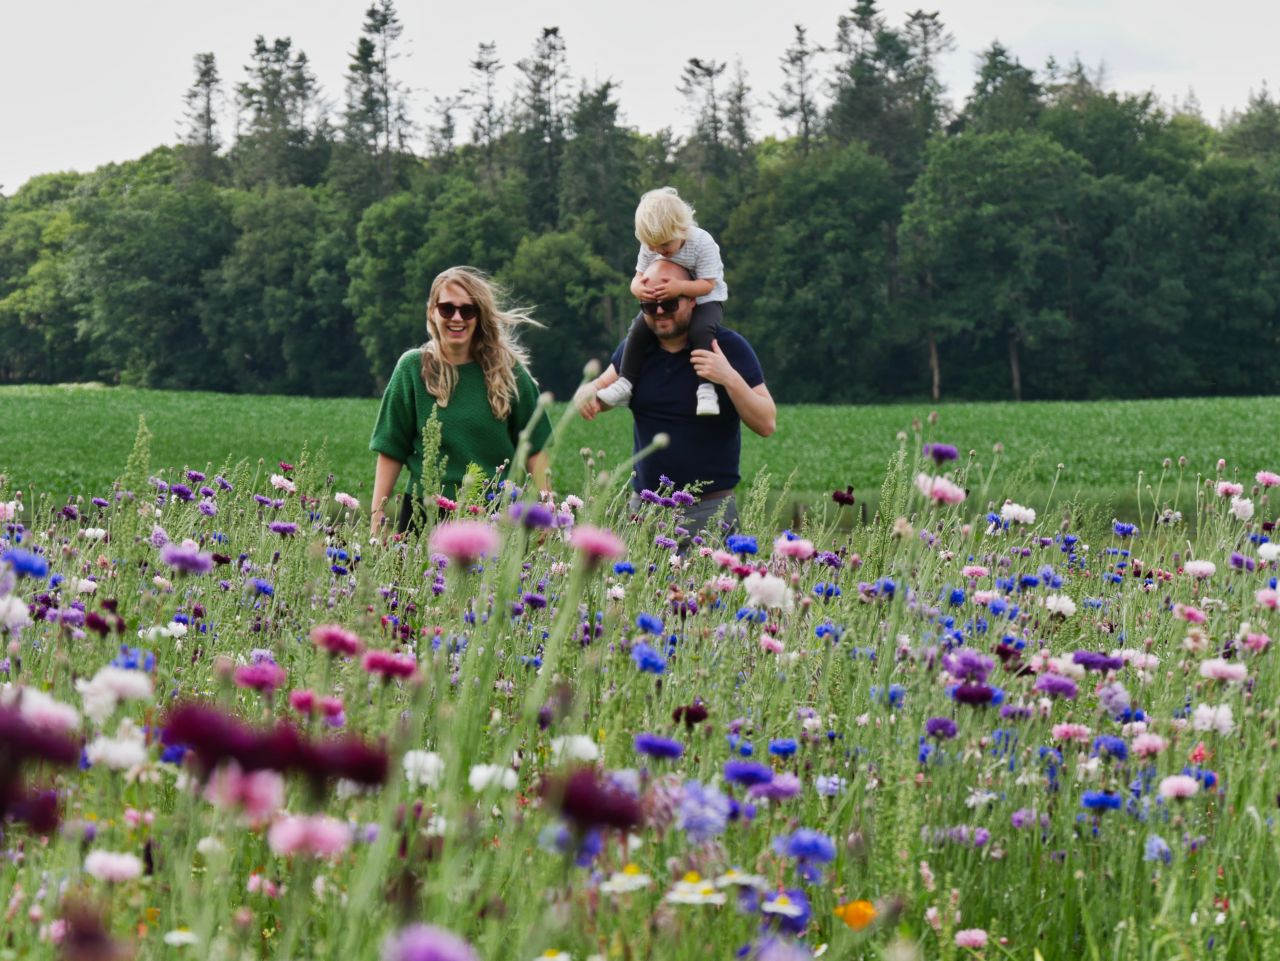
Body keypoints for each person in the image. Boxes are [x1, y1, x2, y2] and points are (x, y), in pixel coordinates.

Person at [577, 259, 775, 536]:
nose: (659, 312)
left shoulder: (728, 347)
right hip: (643, 511)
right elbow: (599, 388)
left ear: (693, 300)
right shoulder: (635, 351)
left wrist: (728, 376)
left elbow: (766, 422)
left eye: (669, 303)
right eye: (648, 306)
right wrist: (587, 394)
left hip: (709, 510)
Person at [369, 266, 551, 536]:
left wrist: (547, 514)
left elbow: (536, 447)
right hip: (424, 514)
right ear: (432, 311)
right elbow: (391, 448)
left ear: (479, 316)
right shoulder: (411, 369)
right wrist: (377, 517)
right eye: (447, 309)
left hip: (495, 514)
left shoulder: (509, 373)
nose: (457, 318)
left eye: (467, 310)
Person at [594, 187, 728, 417]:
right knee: (637, 329)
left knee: (701, 331)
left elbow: (708, 284)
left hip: (706, 299)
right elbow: (636, 278)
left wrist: (681, 288)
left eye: (664, 245)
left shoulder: (703, 243)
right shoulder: (651, 245)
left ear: (682, 229)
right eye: (653, 246)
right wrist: (639, 290)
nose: (658, 251)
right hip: (664, 296)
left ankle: (706, 388)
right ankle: (625, 383)